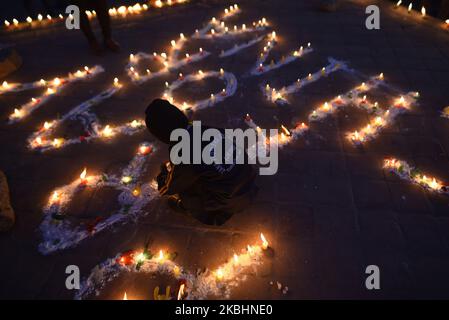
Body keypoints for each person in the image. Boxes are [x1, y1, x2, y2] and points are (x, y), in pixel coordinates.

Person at [145, 99, 258, 226]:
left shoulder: (183, 152)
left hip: (231, 200)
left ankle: (194, 210)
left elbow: (169, 188)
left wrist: (163, 175)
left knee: (187, 187)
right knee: (196, 172)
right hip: (248, 182)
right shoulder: (204, 129)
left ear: (163, 135)